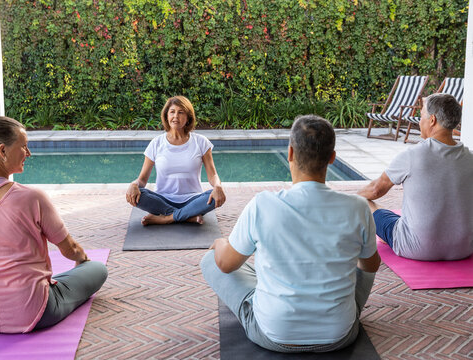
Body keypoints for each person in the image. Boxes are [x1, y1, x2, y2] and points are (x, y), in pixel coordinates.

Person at [200, 115, 380, 353]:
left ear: (290, 153)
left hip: (273, 334)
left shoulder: (262, 204)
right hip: (339, 334)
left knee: (211, 261)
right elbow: (370, 265)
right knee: (367, 262)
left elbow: (225, 264)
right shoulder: (358, 207)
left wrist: (221, 242)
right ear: (333, 158)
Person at [0, 116, 108, 336]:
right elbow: (70, 250)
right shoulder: (32, 197)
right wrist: (83, 260)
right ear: (2, 150)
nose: (28, 153)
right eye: (24, 147)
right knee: (97, 269)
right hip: (34, 313)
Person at [358, 93, 473, 261]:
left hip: (417, 249)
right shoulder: (470, 158)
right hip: (464, 248)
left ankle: (385, 235)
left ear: (432, 120)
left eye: (421, 116)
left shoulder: (413, 155)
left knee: (364, 203)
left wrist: (350, 199)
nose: (420, 122)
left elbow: (375, 190)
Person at [126, 96, 226, 225]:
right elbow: (142, 180)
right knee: (139, 195)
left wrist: (218, 186)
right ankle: (188, 215)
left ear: (188, 117)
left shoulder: (201, 142)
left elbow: (213, 175)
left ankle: (167, 218)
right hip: (162, 200)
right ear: (167, 116)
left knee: (213, 197)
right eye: (172, 112)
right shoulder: (156, 143)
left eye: (181, 112)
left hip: (193, 199)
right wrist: (133, 185)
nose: (176, 116)